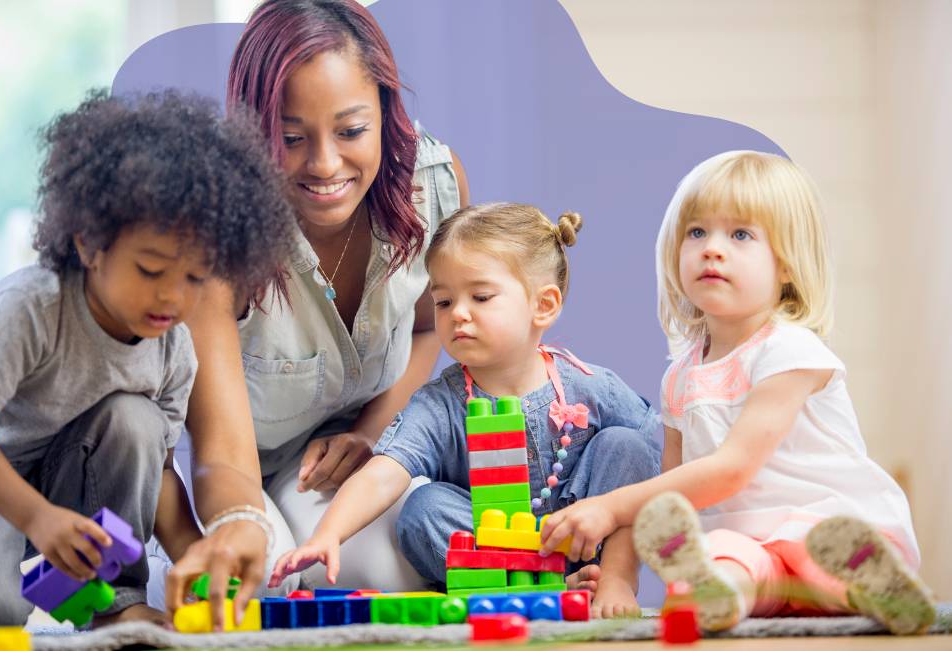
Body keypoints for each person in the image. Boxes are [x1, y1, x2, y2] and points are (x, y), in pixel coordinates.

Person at [161, 0, 470, 627]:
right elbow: (221, 456)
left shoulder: (433, 185)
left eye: (352, 131)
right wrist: (243, 527)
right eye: (291, 139)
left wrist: (374, 435)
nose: (325, 165)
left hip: (377, 455)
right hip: (257, 473)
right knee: (275, 581)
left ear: (385, 112)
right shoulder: (213, 238)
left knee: (402, 566)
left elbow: (430, 328)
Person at [538, 151, 936, 634]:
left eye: (740, 234)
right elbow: (666, 495)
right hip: (750, 542)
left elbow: (732, 469)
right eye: (697, 232)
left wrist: (607, 505)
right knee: (727, 560)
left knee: (815, 558)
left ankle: (870, 583)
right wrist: (617, 578)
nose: (712, 249)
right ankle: (719, 594)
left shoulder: (789, 349)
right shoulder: (680, 376)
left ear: (787, 265)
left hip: (828, 525)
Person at [0, 90, 296, 630]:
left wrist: (198, 556)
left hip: (60, 484)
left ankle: (112, 607)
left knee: (136, 420)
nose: (172, 297)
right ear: (89, 243)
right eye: (151, 270)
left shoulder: (173, 348)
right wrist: (37, 516)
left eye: (195, 278)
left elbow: (160, 475)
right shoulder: (32, 309)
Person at [268, 203, 661, 618]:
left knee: (627, 445)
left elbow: (657, 455)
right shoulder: (441, 403)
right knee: (424, 508)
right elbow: (385, 474)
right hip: (493, 551)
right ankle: (536, 591)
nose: (458, 313)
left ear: (543, 305)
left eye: (481, 296)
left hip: (585, 540)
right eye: (443, 301)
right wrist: (328, 534)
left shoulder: (587, 384)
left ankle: (614, 579)